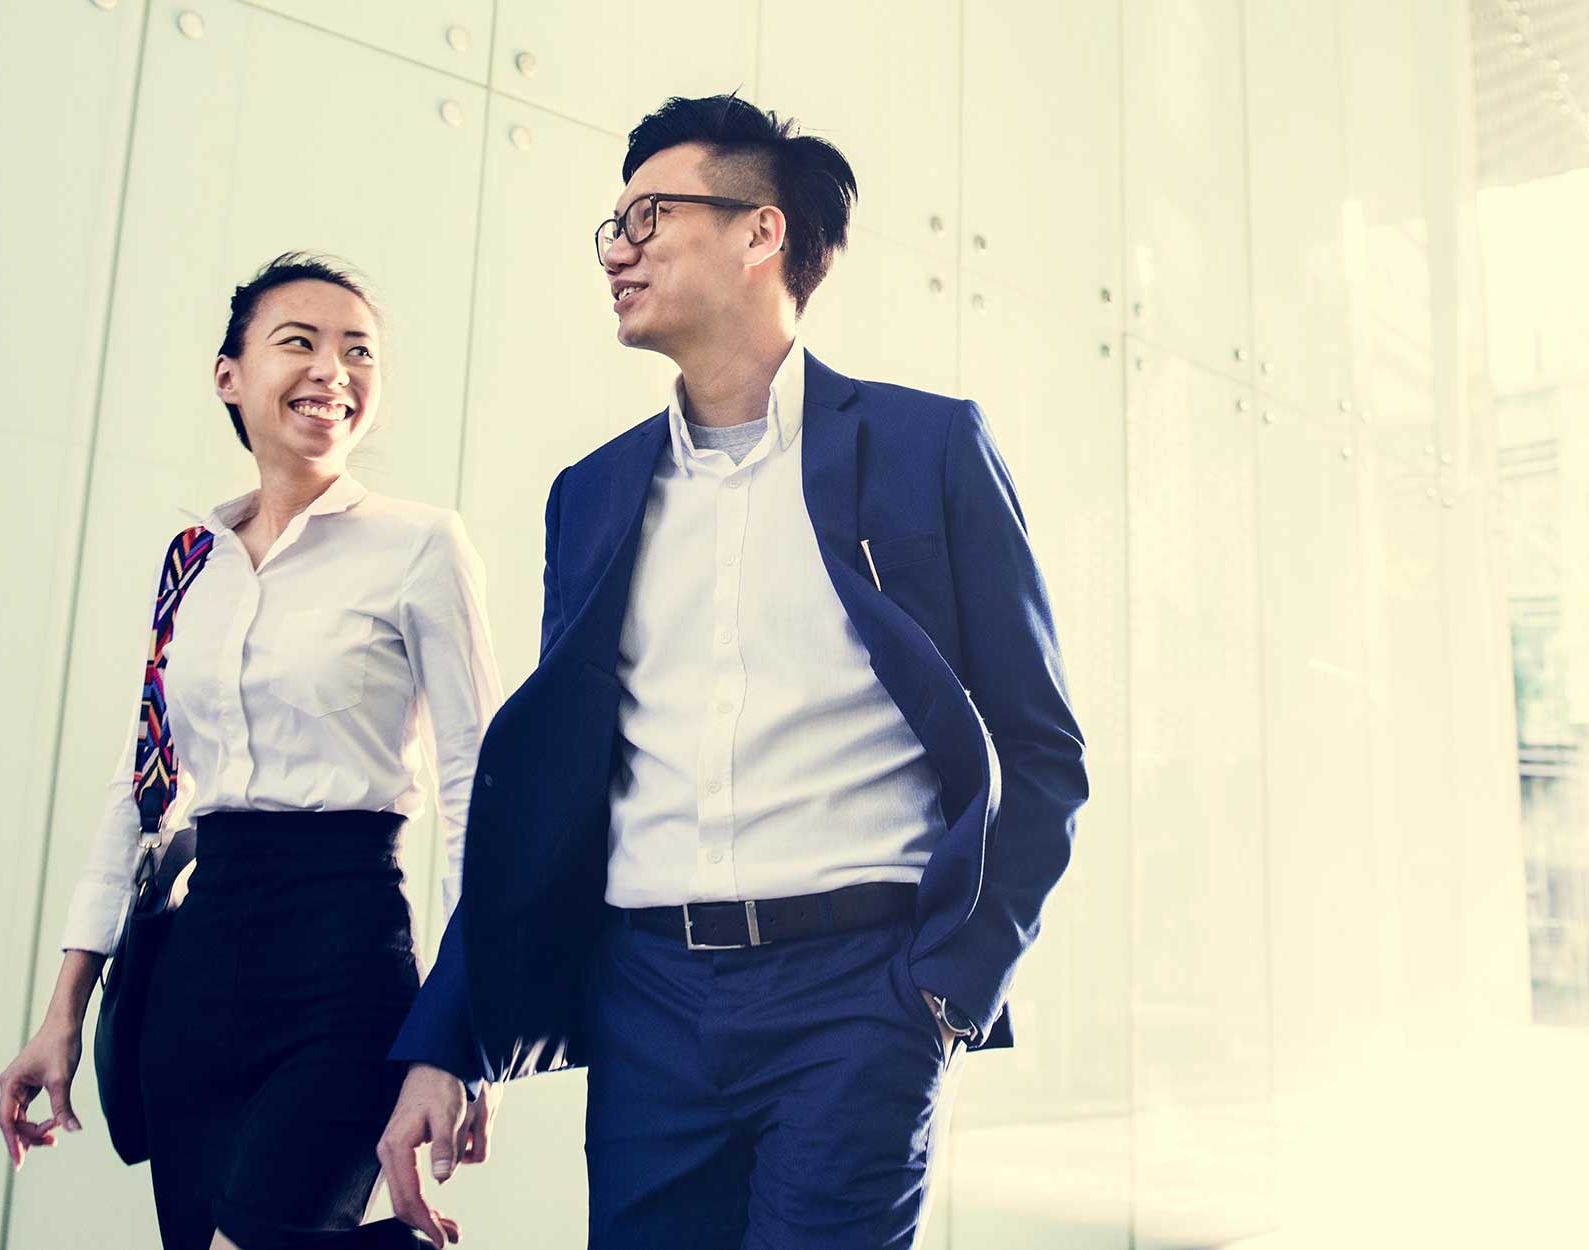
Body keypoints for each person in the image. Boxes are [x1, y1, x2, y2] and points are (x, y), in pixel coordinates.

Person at [376, 94, 1091, 1249]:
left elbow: (1037, 748)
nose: (618, 248)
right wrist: (445, 1039)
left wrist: (948, 988)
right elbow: (552, 801)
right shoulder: (591, 493)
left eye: (649, 216)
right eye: (611, 225)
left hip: (860, 999)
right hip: (647, 1004)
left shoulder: (925, 447)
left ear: (761, 231)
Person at [0, 253, 501, 1250]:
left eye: (359, 351)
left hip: (346, 963)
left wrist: (457, 1038)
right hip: (197, 976)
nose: (333, 370)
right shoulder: (192, 560)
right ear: (229, 375)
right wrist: (62, 1010)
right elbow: (141, 788)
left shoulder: (420, 545)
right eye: (299, 342)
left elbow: (481, 795)